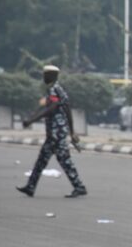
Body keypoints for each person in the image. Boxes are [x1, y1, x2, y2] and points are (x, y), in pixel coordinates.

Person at [17, 65, 88, 198]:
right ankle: (30, 187)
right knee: (43, 160)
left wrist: (32, 120)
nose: (43, 77)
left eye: (45, 75)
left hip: (56, 132)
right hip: (57, 132)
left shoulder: (54, 90)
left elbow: (51, 109)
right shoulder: (59, 90)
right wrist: (72, 132)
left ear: (51, 76)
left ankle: (79, 186)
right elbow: (67, 110)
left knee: (63, 160)